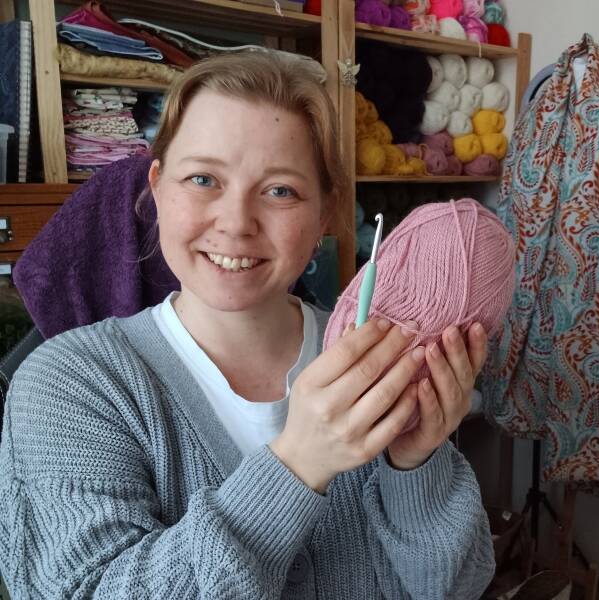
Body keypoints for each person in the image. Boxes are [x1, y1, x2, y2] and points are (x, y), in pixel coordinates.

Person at [0, 51, 495, 598]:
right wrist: (299, 463)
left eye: (280, 190)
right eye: (203, 178)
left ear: (325, 212)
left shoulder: (377, 358)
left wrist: (415, 466)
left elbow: (458, 586)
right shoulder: (67, 383)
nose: (236, 223)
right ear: (158, 188)